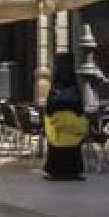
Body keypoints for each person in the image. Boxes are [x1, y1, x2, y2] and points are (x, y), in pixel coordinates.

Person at [42, 52, 87, 181]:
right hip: (72, 128)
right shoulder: (73, 84)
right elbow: (79, 106)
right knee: (73, 148)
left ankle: (56, 171)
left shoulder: (55, 85)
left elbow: (50, 107)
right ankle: (73, 171)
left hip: (58, 127)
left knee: (56, 147)